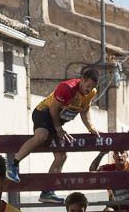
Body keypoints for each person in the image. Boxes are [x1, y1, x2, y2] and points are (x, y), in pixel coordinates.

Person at [8, 68, 101, 202]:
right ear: (82, 80)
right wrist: (58, 129)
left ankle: (48, 191)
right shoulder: (67, 88)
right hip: (44, 112)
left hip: (57, 120)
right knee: (42, 136)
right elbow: (53, 108)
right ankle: (13, 164)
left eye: (92, 87)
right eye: (88, 86)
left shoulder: (91, 93)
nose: (89, 89)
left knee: (62, 156)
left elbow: (84, 111)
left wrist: (90, 127)